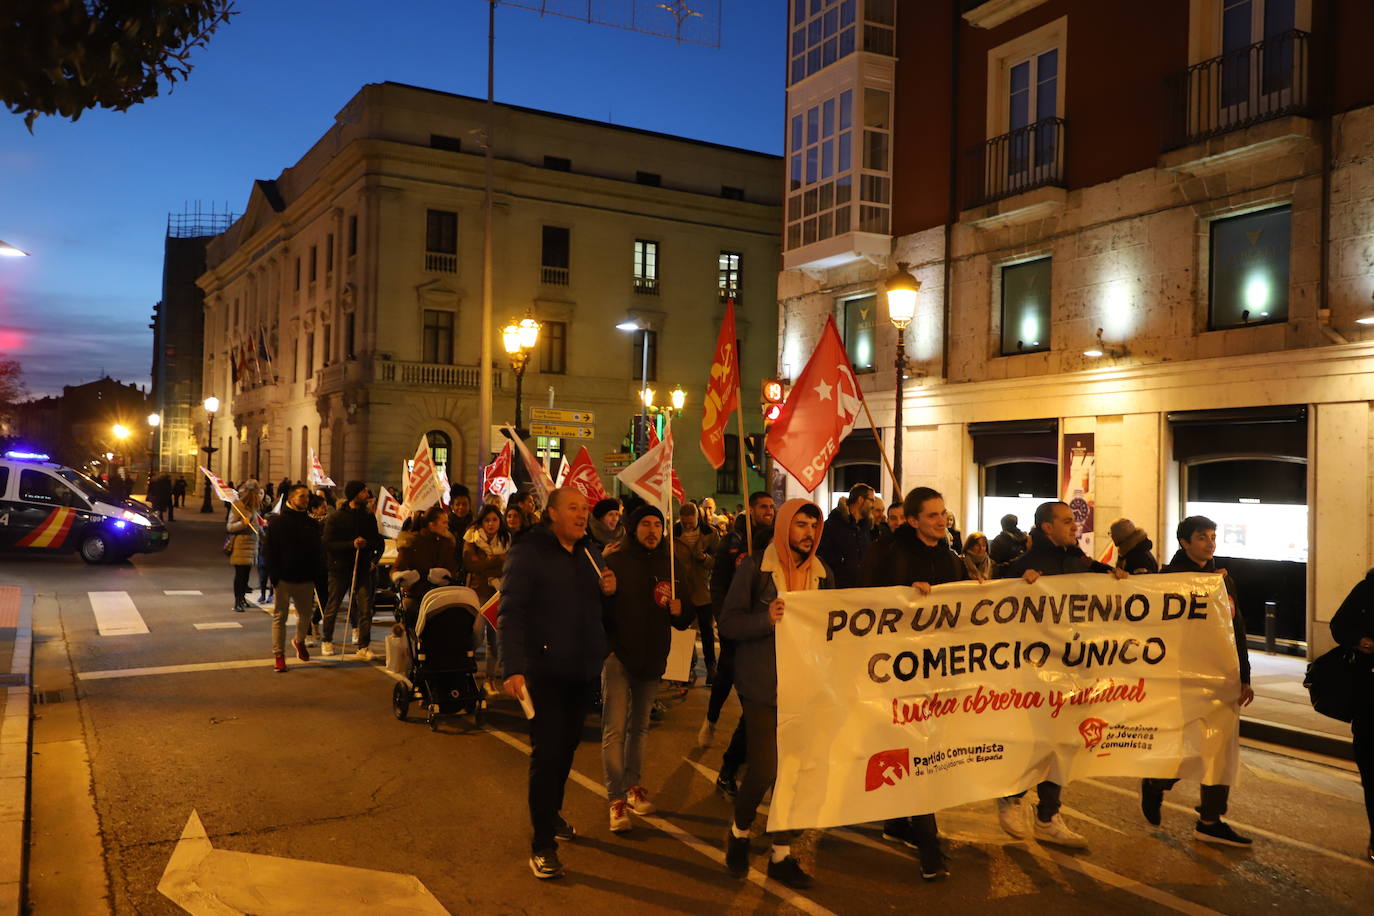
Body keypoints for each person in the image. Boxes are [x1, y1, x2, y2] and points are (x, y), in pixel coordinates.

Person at [500, 487, 617, 880]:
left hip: (582, 671)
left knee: (566, 753)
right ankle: (542, 844)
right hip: (544, 672)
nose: (583, 514)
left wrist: (608, 592)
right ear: (551, 513)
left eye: (585, 509)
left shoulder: (588, 552)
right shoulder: (529, 551)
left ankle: (551, 815)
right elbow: (510, 611)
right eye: (573, 508)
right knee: (547, 756)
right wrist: (512, 668)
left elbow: (598, 606)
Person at [996, 501, 1127, 847]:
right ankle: (1012, 796)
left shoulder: (1079, 561)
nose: (1074, 526)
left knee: (1065, 743)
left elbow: (1102, 581)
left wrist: (1118, 580)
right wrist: (1015, 584)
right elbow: (994, 594)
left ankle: (1048, 816)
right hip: (1032, 674)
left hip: (1073, 671)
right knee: (1037, 740)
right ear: (1046, 527)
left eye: (1074, 521)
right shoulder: (1024, 566)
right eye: (1067, 521)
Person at [719, 498, 832, 889]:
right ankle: (739, 833)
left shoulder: (823, 574)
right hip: (763, 687)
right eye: (801, 525)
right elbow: (728, 622)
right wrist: (765, 620)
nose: (808, 534)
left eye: (813, 527)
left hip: (804, 689)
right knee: (766, 768)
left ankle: (781, 853)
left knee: (795, 774)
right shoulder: (756, 568)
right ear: (785, 527)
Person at [861, 486, 964, 880]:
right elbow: (864, 603)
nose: (942, 520)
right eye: (933, 515)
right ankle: (930, 846)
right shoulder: (886, 553)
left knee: (923, 748)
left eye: (943, 513)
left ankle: (897, 822)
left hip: (936, 672)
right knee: (916, 750)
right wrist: (905, 596)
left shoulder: (950, 559)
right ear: (913, 519)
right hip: (893, 673)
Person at [1140, 516, 1254, 846]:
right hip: (1182, 678)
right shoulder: (1170, 579)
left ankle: (1210, 819)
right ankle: (1156, 782)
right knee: (1188, 744)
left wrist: (1244, 676)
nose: (1210, 542)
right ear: (1185, 543)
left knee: (1220, 747)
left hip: (1222, 677)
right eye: (1202, 537)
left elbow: (1238, 629)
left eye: (1213, 536)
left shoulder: (1223, 579)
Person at [601, 504, 691, 833]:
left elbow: (684, 614)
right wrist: (605, 595)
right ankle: (616, 799)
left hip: (653, 658)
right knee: (614, 730)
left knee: (639, 728)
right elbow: (596, 608)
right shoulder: (614, 562)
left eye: (657, 525)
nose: (652, 531)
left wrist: (681, 611)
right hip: (618, 658)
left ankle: (633, 787)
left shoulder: (670, 563)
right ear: (632, 528)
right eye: (646, 525)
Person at [699, 491, 777, 800]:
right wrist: (724, 620)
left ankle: (737, 766)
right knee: (735, 690)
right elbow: (718, 585)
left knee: (756, 711)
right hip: (738, 632)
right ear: (751, 509)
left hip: (768, 637)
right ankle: (715, 728)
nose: (769, 511)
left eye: (772, 507)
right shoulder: (733, 543)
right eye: (763, 507)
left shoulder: (774, 541)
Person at [1330, 570, 1374, 863]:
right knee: (1371, 765)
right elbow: (1338, 625)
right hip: (1369, 693)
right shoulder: (1367, 589)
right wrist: (1359, 640)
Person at [264, 484, 324, 672]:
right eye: (301, 496)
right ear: (290, 499)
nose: (306, 500)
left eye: (307, 496)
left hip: (305, 578)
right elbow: (270, 551)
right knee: (280, 617)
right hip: (283, 578)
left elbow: (317, 552)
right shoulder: (278, 522)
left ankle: (299, 641)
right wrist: (274, 577)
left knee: (306, 615)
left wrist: (317, 575)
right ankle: (279, 655)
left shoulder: (311, 523)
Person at [321, 481, 384, 659]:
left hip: (363, 568)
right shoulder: (337, 517)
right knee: (333, 606)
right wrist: (351, 544)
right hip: (339, 569)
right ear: (355, 494)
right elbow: (328, 543)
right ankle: (327, 640)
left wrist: (372, 557)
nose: (367, 494)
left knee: (365, 608)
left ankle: (364, 645)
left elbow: (376, 541)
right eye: (364, 491)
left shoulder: (368, 517)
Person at [675, 502, 720, 680]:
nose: (687, 526)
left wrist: (704, 559)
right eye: (684, 523)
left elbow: (719, 561)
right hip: (683, 591)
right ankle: (685, 665)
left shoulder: (710, 533)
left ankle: (711, 666)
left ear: (697, 518)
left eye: (690, 523)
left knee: (707, 631)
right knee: (682, 630)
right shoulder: (674, 534)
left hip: (703, 590)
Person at [393, 505, 460, 621]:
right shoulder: (410, 542)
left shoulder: (447, 543)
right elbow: (397, 569)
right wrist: (404, 577)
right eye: (444, 523)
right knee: (410, 610)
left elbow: (452, 569)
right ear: (432, 524)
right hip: (415, 594)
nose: (447, 526)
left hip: (439, 594)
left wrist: (446, 576)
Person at [816, 483, 873, 588]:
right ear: (860, 500)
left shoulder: (864, 527)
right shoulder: (832, 525)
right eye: (871, 500)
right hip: (839, 589)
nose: (873, 505)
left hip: (862, 589)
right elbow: (823, 558)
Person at [226, 481, 264, 613]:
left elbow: (256, 528)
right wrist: (242, 523)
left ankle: (242, 598)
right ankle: (237, 601)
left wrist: (262, 527)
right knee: (240, 575)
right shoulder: (238, 506)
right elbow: (230, 527)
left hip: (252, 546)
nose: (259, 496)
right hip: (241, 546)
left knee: (246, 575)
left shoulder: (253, 507)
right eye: (257, 493)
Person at [462, 504, 508, 604]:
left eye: (494, 519)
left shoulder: (506, 538)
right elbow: (471, 565)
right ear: (481, 522)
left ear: (500, 521)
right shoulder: (472, 537)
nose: (491, 524)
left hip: (501, 590)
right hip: (477, 589)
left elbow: (507, 567)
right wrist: (497, 559)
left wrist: (483, 566)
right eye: (487, 520)